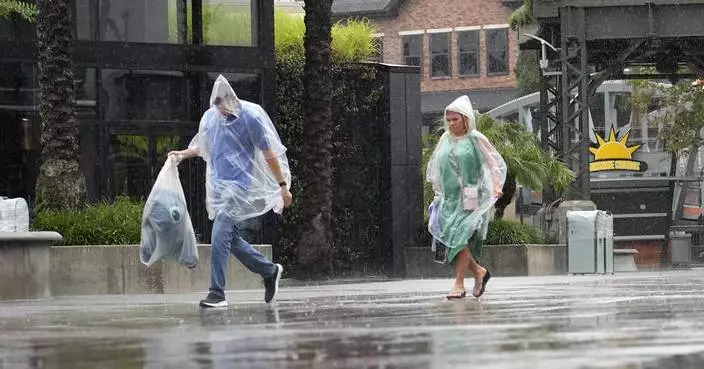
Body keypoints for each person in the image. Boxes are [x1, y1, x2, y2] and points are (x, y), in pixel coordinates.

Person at [168, 75, 293, 308]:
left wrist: (283, 186)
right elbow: (203, 146)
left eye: (224, 106)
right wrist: (182, 154)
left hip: (239, 187)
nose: (222, 112)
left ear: (232, 98)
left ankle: (217, 293)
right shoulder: (212, 118)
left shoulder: (251, 118)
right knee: (230, 239)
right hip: (219, 187)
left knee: (219, 234)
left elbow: (269, 154)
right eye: (217, 107)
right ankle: (269, 270)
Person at [426, 95, 507, 300]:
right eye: (449, 120)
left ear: (465, 119)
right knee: (453, 239)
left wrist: (496, 187)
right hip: (449, 199)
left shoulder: (475, 138)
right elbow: (436, 166)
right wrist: (437, 193)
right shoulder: (445, 139)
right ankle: (479, 272)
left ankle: (459, 283)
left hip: (471, 196)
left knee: (460, 236)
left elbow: (493, 164)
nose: (451, 124)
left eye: (455, 119)